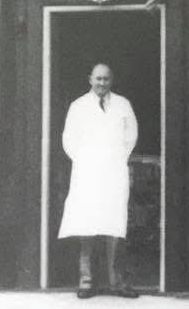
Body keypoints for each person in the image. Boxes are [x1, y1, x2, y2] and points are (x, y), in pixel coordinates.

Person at [58, 63, 139, 299]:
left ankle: (118, 283)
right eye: (98, 79)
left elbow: (131, 135)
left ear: (111, 80)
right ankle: (86, 282)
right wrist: (86, 161)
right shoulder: (78, 106)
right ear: (90, 80)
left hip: (114, 172)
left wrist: (116, 158)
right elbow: (68, 139)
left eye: (106, 79)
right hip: (87, 173)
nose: (102, 83)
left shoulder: (123, 104)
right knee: (86, 225)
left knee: (115, 226)